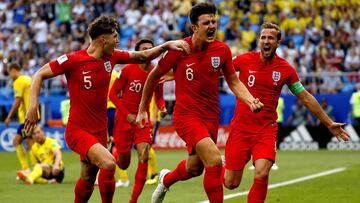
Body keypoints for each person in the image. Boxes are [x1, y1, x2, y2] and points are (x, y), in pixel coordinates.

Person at [24, 15, 189, 203]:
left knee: (87, 178)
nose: (118, 40)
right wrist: (32, 107)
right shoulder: (73, 60)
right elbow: (39, 75)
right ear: (104, 39)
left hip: (100, 131)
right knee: (110, 164)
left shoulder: (113, 57)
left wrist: (167, 45)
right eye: (115, 36)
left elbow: (143, 56)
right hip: (78, 130)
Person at [135, 3, 263, 203]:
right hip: (186, 115)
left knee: (195, 168)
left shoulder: (222, 50)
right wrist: (142, 109)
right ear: (194, 27)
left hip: (210, 116)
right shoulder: (179, 50)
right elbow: (153, 76)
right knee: (214, 160)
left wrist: (249, 100)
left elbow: (234, 81)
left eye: (214, 21)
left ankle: (166, 179)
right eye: (206, 23)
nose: (212, 26)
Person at [223, 22, 350, 203]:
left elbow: (305, 97)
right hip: (241, 129)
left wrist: (329, 123)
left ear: (278, 42)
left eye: (270, 38)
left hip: (266, 130)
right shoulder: (243, 60)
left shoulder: (286, 70)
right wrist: (176, 73)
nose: (266, 41)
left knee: (262, 172)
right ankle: (220, 163)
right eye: (263, 37)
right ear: (259, 40)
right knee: (231, 183)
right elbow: (217, 69)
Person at [109, 38, 167, 203]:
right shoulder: (128, 70)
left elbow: (159, 97)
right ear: (139, 53)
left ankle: (133, 200)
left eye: (151, 48)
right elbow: (113, 94)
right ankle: (109, 155)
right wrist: (127, 114)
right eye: (145, 49)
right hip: (123, 119)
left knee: (144, 155)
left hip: (142, 119)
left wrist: (162, 108)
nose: (149, 51)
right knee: (123, 164)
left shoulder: (157, 72)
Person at [5, 62, 38, 175]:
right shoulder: (28, 79)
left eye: (10, 73)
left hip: (26, 117)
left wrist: (9, 117)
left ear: (14, 70)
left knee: (17, 141)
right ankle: (36, 168)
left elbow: (17, 101)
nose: (10, 76)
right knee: (30, 142)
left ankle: (30, 169)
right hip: (33, 114)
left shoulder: (18, 81)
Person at [107, 69, 130, 188]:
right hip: (113, 110)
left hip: (110, 110)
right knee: (108, 146)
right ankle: (103, 176)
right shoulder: (116, 74)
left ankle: (124, 178)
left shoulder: (110, 74)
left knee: (112, 144)